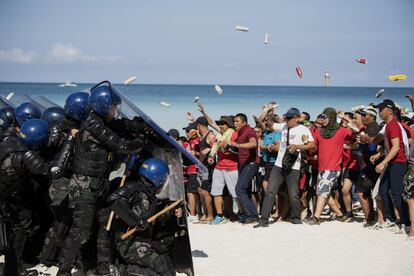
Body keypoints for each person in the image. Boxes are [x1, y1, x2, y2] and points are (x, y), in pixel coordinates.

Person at [57, 82, 143, 275]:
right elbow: (120, 145)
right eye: (113, 107)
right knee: (80, 232)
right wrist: (139, 142)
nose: (115, 110)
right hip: (85, 185)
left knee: (103, 227)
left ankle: (100, 268)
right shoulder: (94, 125)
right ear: (104, 105)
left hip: (98, 184)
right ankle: (63, 271)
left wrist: (137, 125)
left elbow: (120, 126)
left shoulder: (101, 121)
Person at [107, 158, 183, 276]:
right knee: (163, 267)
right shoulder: (134, 188)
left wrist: (173, 214)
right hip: (128, 243)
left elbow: (157, 219)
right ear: (159, 179)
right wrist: (135, 222)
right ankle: (120, 272)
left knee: (166, 266)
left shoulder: (152, 197)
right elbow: (114, 200)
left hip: (143, 242)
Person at [0, 119, 53, 275]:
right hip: (9, 197)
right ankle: (12, 269)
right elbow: (49, 171)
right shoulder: (27, 155)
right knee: (20, 228)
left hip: (8, 196)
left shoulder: (7, 143)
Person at [255, 107, 315, 227]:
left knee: (293, 194)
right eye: (286, 117)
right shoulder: (283, 126)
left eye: (289, 118)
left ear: (296, 118)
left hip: (294, 166)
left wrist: (298, 146)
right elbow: (270, 125)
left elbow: (312, 144)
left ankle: (295, 218)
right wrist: (269, 112)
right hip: (278, 165)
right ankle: (263, 220)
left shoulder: (303, 129)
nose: (286, 119)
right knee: (270, 191)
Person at [362, 99, 409, 232]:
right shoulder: (388, 125)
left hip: (398, 163)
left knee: (396, 193)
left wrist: (383, 162)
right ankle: (392, 219)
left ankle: (406, 223)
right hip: (392, 163)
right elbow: (385, 145)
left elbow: (395, 148)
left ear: (389, 111)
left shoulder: (393, 125)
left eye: (381, 110)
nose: (379, 112)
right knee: (383, 191)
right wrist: (379, 154)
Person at [308, 108, 349, 225]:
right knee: (324, 193)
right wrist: (306, 144)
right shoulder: (319, 132)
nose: (322, 119)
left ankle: (316, 218)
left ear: (331, 118)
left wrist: (345, 119)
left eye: (325, 117)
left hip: (333, 168)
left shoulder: (341, 131)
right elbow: (313, 146)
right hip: (321, 167)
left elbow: (354, 132)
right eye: (321, 116)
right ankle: (340, 215)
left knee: (322, 192)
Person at [222, 113, 259, 224]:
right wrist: (229, 147)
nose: (235, 123)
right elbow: (239, 150)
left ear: (244, 123)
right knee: (245, 191)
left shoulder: (249, 131)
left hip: (251, 164)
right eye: (234, 121)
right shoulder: (240, 133)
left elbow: (253, 144)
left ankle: (251, 216)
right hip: (243, 164)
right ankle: (253, 215)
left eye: (237, 121)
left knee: (239, 189)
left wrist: (237, 145)